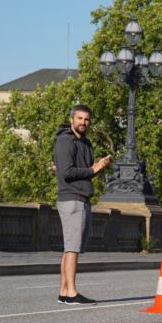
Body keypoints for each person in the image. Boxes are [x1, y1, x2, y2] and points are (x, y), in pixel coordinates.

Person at [54, 104, 112, 304]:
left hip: (82, 198)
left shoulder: (86, 144)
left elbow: (85, 172)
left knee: (70, 248)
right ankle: (71, 292)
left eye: (86, 119)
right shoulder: (64, 141)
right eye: (79, 118)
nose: (83, 123)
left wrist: (99, 167)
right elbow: (67, 172)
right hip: (71, 199)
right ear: (72, 120)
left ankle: (64, 291)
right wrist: (92, 168)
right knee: (73, 248)